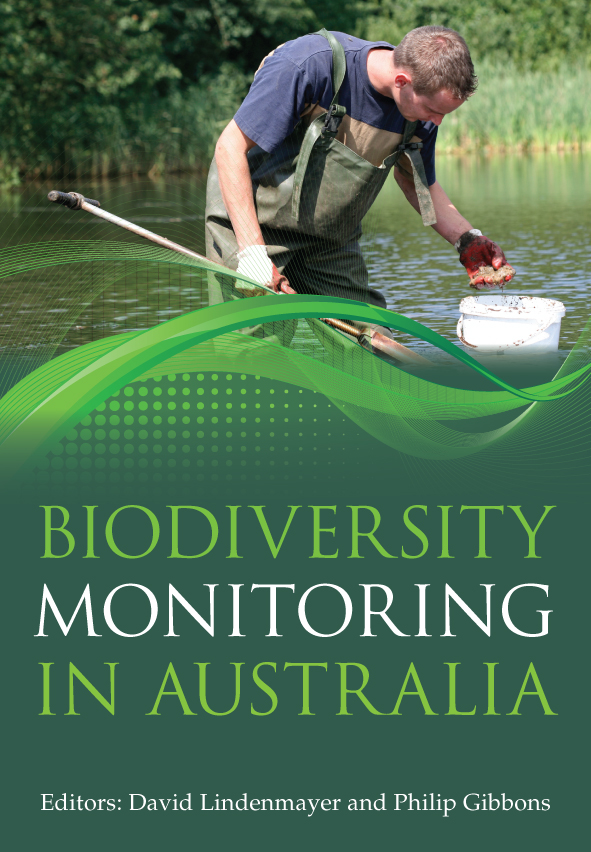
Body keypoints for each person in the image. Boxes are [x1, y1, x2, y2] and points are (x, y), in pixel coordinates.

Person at [205, 26, 514, 343]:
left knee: (371, 341)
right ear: (402, 82)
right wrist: (254, 255)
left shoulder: (419, 113)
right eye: (434, 111)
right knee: (254, 343)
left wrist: (467, 239)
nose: (437, 122)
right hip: (252, 227)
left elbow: (417, 183)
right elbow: (229, 148)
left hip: (330, 240)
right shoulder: (308, 65)